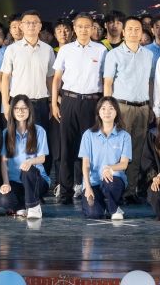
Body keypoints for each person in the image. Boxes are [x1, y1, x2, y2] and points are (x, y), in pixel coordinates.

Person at [51, 14, 107, 204]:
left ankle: (89, 189)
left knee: (91, 148)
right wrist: (54, 103)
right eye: (80, 26)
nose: (84, 30)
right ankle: (65, 191)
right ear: (74, 29)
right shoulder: (65, 50)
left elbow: (105, 79)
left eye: (87, 26)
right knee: (66, 147)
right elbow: (57, 79)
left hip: (92, 103)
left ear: (93, 29)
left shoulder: (101, 50)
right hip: (69, 101)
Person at [102, 17, 154, 202]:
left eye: (137, 29)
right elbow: (108, 83)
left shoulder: (148, 54)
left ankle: (131, 190)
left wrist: (151, 106)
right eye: (130, 29)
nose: (133, 32)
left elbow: (150, 82)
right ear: (123, 32)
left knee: (137, 150)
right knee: (118, 148)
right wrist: (108, 108)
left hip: (142, 108)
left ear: (142, 32)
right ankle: (115, 187)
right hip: (121, 107)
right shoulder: (113, 54)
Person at [0, 10, 56, 174]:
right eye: (27, 23)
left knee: (41, 141)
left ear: (40, 26)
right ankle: (15, 178)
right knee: (16, 141)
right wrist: (5, 104)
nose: (31, 25)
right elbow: (5, 78)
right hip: (18, 105)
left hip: (41, 103)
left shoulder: (47, 50)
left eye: (34, 23)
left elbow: (50, 78)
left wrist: (52, 102)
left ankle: (41, 179)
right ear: (21, 26)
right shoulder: (12, 49)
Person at [0, 94, 49, 219]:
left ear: (29, 111)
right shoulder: (6, 133)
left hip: (36, 180)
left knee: (27, 171)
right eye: (16, 108)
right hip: (15, 181)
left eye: (24, 108)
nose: (20, 111)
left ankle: (33, 207)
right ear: (12, 111)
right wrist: (6, 183)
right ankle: (23, 206)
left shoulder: (39, 131)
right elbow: (3, 162)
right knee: (4, 200)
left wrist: (30, 162)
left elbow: (42, 158)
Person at [80, 97, 133, 220]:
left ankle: (113, 208)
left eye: (111, 108)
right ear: (98, 112)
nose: (107, 112)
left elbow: (124, 164)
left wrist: (109, 168)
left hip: (113, 180)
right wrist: (87, 187)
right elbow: (86, 164)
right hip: (93, 182)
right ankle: (108, 206)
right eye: (103, 108)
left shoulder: (125, 136)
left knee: (109, 182)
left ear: (116, 112)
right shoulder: (88, 135)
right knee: (94, 214)